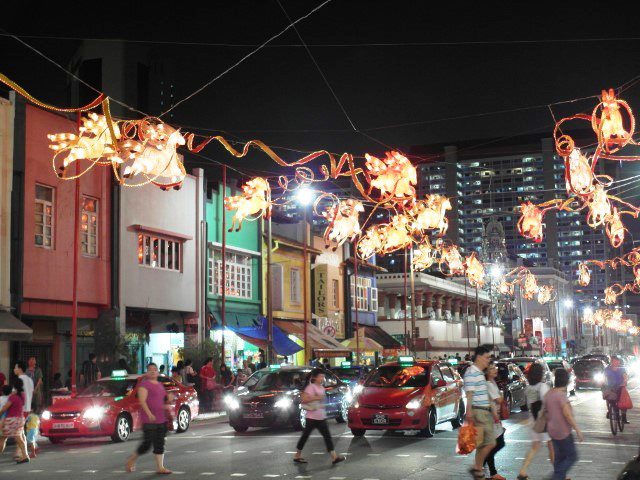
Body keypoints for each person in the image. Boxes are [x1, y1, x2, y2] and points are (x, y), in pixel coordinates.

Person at [125, 363, 172, 474]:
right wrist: (149, 413)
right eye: (150, 370)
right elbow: (142, 401)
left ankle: (160, 467)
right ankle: (132, 459)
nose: (152, 371)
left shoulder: (160, 385)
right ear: (146, 372)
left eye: (154, 370)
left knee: (160, 443)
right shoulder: (144, 385)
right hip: (149, 420)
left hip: (161, 418)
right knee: (147, 444)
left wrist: (168, 401)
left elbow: (163, 400)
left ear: (157, 372)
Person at [293, 369, 345, 465]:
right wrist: (317, 397)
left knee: (327, 437)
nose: (322, 378)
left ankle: (334, 457)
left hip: (321, 417)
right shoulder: (311, 387)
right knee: (305, 436)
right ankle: (297, 455)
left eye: (323, 376)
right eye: (321, 376)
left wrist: (321, 404)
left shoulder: (321, 387)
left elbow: (321, 401)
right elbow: (304, 399)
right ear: (315, 377)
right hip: (312, 418)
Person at [463, 344, 497, 480]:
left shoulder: (479, 373)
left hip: (483, 411)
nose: (488, 360)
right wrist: (468, 412)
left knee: (482, 444)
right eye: (487, 357)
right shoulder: (472, 372)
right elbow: (469, 394)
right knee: (490, 443)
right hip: (480, 412)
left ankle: (478, 471)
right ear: (478, 357)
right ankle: (476, 467)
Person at [518, 362, 554, 480]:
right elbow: (548, 403)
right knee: (551, 445)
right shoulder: (543, 386)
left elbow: (529, 404)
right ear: (540, 374)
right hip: (543, 421)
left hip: (533, 421)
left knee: (535, 446)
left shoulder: (528, 388)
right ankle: (559, 472)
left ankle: (523, 471)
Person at [546, 368, 584, 480]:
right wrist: (578, 430)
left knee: (559, 458)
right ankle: (556, 477)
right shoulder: (561, 396)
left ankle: (557, 476)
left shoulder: (549, 393)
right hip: (563, 432)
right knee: (572, 457)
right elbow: (567, 415)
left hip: (552, 431)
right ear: (566, 380)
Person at [483, 363, 506, 480]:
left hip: (494, 417)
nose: (495, 370)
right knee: (498, 443)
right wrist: (502, 394)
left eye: (494, 368)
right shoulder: (489, 384)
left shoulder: (493, 383)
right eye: (491, 368)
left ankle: (491, 472)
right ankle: (484, 468)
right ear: (486, 372)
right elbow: (497, 400)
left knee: (493, 445)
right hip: (491, 418)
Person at [0, 378, 29, 463]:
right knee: (19, 438)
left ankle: (25, 456)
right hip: (20, 419)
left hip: (11, 420)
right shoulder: (22, 396)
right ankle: (25, 455)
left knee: (2, 438)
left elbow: (5, 408)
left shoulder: (13, 397)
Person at [604, 356, 629, 423]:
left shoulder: (622, 369)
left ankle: (624, 417)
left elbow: (625, 377)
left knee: (624, 402)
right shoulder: (607, 369)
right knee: (607, 396)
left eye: (617, 361)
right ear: (611, 362)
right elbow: (604, 378)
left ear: (618, 362)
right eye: (614, 361)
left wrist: (624, 382)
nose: (615, 363)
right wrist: (602, 384)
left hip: (620, 387)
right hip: (610, 387)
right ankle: (609, 410)